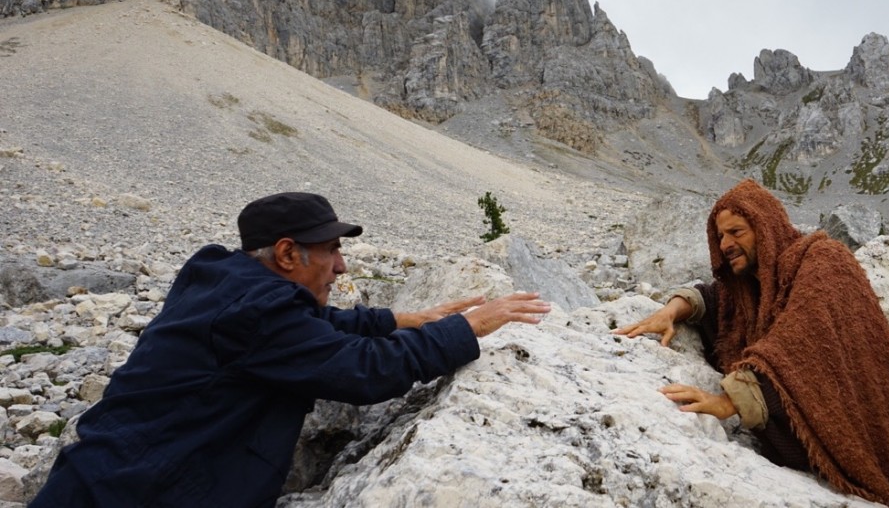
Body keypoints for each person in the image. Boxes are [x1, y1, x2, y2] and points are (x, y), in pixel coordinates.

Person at [30, 192, 551, 508]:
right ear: (285, 253)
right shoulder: (256, 312)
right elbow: (365, 372)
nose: (342, 266)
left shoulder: (227, 283)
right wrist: (467, 328)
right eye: (331, 250)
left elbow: (309, 326)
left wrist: (398, 317)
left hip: (102, 483)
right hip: (138, 497)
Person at [614, 179, 889, 508]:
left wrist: (729, 400)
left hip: (882, 432)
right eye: (720, 236)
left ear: (765, 229)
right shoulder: (753, 285)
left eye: (736, 232)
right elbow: (717, 301)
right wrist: (672, 310)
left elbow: (802, 341)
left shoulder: (825, 260)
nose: (725, 245)